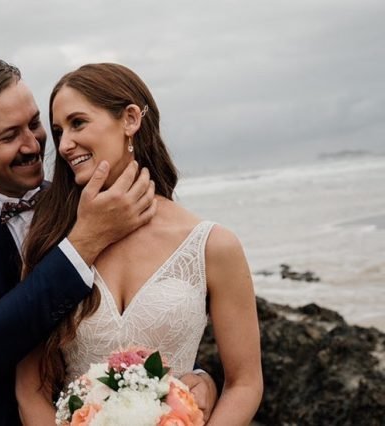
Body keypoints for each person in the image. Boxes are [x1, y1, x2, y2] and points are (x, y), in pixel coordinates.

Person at [0, 58, 217, 425]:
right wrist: (84, 241)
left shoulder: (88, 202)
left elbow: (135, 316)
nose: (34, 145)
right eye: (9, 135)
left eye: (34, 124)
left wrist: (197, 379)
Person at [16, 63, 263, 425]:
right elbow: (30, 387)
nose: (64, 144)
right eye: (58, 131)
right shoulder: (50, 240)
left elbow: (244, 383)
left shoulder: (212, 245)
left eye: (78, 123)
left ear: (130, 119)